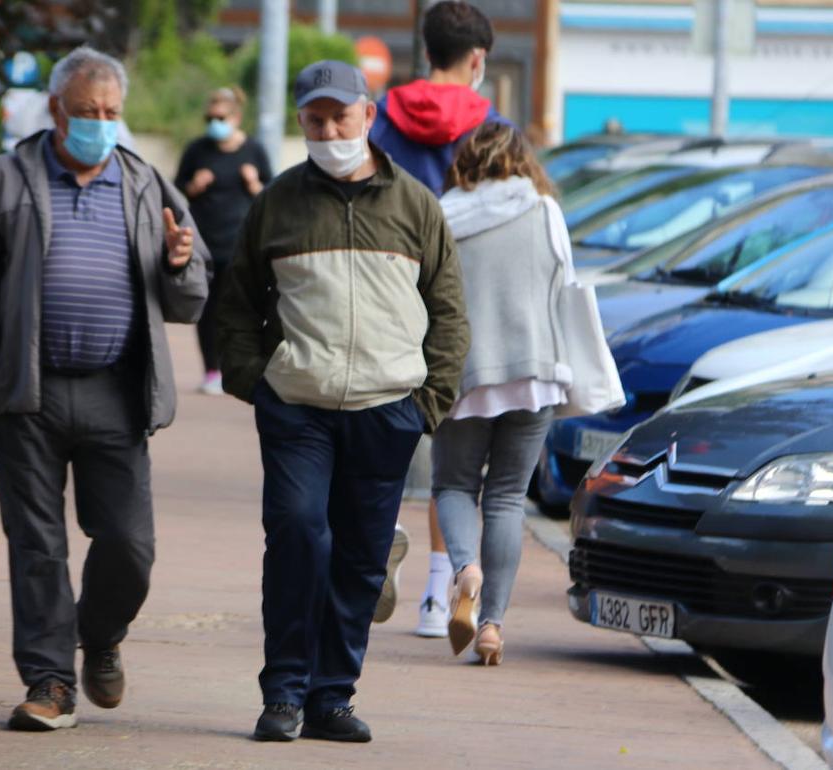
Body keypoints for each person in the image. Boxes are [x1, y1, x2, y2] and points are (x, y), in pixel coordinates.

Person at [0, 47, 211, 731]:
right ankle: (49, 681)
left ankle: (100, 635)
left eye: (111, 113)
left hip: (117, 391)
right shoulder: (5, 181)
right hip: (29, 390)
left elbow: (190, 301)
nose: (100, 124)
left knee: (130, 547)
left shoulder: (146, 186)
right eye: (87, 113)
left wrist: (180, 263)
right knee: (37, 544)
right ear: (56, 110)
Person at [218, 60, 469, 743]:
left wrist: (427, 404)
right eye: (315, 119)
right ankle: (284, 694)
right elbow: (234, 303)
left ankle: (332, 697)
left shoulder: (416, 204)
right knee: (299, 533)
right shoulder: (277, 202)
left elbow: (449, 312)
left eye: (341, 117)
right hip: (298, 406)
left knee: (360, 558)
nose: (329, 130)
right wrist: (257, 383)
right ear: (301, 121)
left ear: (369, 115)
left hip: (387, 411)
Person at [368, 0, 502, 638]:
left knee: (382, 426)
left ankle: (377, 538)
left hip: (390, 294)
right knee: (454, 459)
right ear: (477, 60)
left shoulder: (383, 120)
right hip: (459, 301)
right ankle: (435, 597)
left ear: (427, 53)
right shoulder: (491, 126)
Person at [433, 121, 572, 665]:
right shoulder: (545, 211)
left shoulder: (445, 214)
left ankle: (464, 568)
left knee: (454, 485)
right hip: (536, 371)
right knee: (509, 496)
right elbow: (565, 286)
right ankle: (491, 625)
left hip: (465, 373)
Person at [175, 87, 273, 395]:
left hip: (239, 243)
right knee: (207, 309)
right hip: (203, 242)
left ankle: (239, 366)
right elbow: (178, 189)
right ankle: (211, 370)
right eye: (210, 117)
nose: (214, 122)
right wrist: (195, 185)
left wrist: (254, 182)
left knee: (238, 308)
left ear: (236, 117)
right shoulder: (197, 150)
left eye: (220, 117)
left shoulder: (253, 151)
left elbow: (270, 192)